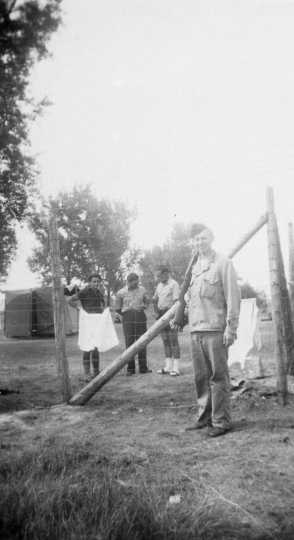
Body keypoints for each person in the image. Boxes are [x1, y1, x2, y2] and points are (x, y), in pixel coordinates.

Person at [182, 225, 240, 437]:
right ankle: (204, 418)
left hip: (216, 330)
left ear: (212, 239)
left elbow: (233, 298)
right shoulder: (195, 266)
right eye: (196, 240)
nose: (199, 243)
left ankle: (221, 422)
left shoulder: (223, 263)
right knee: (200, 377)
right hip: (196, 330)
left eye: (203, 238)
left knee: (218, 377)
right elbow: (190, 298)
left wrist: (231, 328)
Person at [69, 273, 105, 381]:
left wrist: (103, 311)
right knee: (87, 347)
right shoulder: (84, 291)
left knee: (96, 347)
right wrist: (79, 308)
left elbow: (101, 306)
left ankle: (96, 371)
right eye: (94, 281)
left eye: (98, 282)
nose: (96, 283)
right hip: (87, 323)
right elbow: (70, 300)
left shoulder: (99, 293)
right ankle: (87, 374)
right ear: (89, 282)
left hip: (97, 322)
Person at [115, 272, 151, 375]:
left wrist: (144, 305)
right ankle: (130, 369)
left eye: (137, 282)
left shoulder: (142, 289)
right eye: (134, 283)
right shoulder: (121, 292)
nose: (136, 285)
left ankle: (143, 368)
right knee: (129, 342)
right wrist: (127, 314)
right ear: (128, 282)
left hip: (140, 316)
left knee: (142, 341)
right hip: (128, 318)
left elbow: (147, 301)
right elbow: (117, 308)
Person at [153, 265, 181, 376]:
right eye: (157, 276)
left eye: (159, 275)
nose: (158, 278)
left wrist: (174, 317)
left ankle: (176, 368)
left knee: (173, 341)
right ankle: (168, 366)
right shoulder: (159, 285)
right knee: (165, 340)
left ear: (166, 274)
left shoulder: (174, 284)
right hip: (161, 315)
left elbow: (176, 302)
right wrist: (156, 312)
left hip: (170, 313)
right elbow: (154, 299)